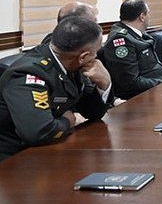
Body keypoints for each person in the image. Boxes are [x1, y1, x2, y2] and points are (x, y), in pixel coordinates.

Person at [0, 16, 113, 161]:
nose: (96, 56)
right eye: (96, 51)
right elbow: (38, 131)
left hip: (47, 149)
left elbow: (91, 112)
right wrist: (68, 121)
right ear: (83, 57)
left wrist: (104, 84)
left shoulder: (68, 63)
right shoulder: (29, 74)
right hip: (14, 160)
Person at [102, 0, 162, 99]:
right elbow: (129, 82)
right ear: (142, 17)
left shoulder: (135, 33)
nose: (149, 16)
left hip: (155, 89)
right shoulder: (121, 39)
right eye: (148, 13)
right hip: (140, 97)